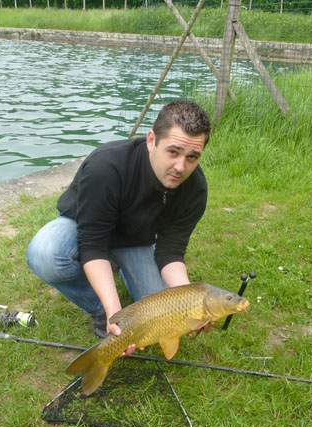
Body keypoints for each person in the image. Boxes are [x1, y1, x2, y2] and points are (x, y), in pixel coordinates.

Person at [26, 99, 211, 357]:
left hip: (137, 241)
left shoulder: (195, 189)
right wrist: (116, 316)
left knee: (165, 313)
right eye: (173, 152)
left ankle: (122, 269)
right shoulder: (107, 166)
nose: (181, 167)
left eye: (192, 157)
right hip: (84, 231)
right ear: (151, 140)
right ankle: (98, 309)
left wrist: (190, 303)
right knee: (45, 252)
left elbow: (171, 251)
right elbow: (92, 245)